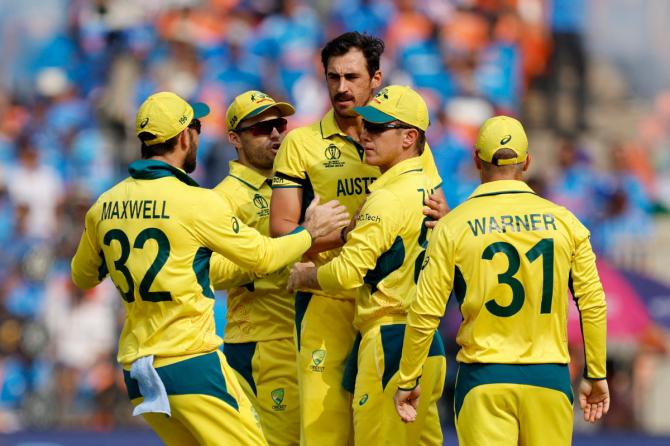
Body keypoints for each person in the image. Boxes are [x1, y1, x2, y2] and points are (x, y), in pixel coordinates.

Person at [70, 91, 349, 446]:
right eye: (197, 127)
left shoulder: (103, 205)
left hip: (138, 370)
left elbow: (83, 277)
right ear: (186, 136)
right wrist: (309, 235)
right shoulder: (199, 200)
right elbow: (261, 258)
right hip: (191, 361)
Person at [269, 31, 447, 445]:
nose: (342, 88)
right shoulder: (301, 144)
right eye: (333, 78)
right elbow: (280, 231)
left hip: (385, 303)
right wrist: (316, 239)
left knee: (390, 430)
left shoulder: (404, 138)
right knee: (324, 431)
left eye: (352, 76)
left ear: (376, 78)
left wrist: (344, 233)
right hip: (326, 303)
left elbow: (436, 211)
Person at [394, 115, 610, 445]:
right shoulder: (566, 222)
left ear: (476, 160)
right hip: (548, 379)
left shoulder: (454, 225)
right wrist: (595, 372)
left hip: (484, 379)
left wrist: (408, 378)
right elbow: (592, 303)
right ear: (527, 162)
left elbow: (425, 312)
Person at [211, 90, 300, 446]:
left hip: (296, 335)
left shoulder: (291, 185)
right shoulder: (223, 198)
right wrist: (267, 254)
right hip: (261, 339)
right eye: (262, 128)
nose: (276, 134)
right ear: (234, 138)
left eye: (279, 124)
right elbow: (210, 272)